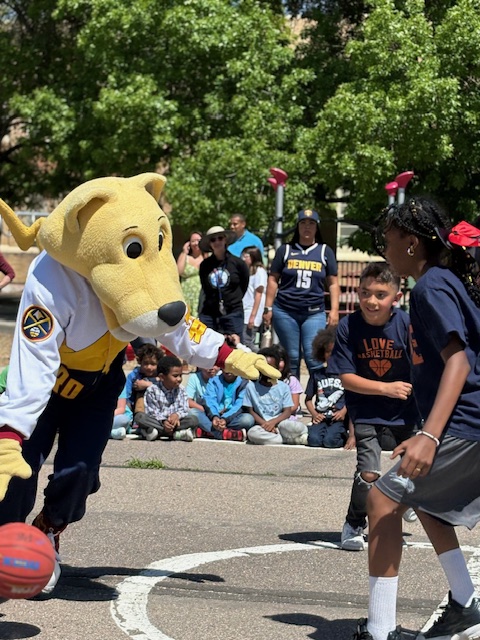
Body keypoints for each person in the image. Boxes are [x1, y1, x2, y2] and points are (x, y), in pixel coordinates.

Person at [350, 198, 480, 640]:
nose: (384, 250)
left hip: (466, 422)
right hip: (465, 422)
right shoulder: (439, 282)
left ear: (410, 243)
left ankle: (381, 631)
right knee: (423, 501)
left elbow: (459, 363)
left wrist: (429, 435)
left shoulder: (430, 288)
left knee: (382, 504)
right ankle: (463, 603)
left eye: (389, 241)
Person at [328, 262, 420, 552]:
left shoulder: (406, 324)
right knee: (368, 474)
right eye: (365, 293)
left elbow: (424, 366)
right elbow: (346, 378)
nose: (371, 301)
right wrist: (386, 388)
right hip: (366, 409)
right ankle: (354, 523)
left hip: (407, 411)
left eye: (380, 294)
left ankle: (404, 498)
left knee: (416, 470)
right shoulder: (348, 326)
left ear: (396, 296)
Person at [263, 208, 340, 378]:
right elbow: (273, 279)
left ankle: (322, 396)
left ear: (316, 227)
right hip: (285, 311)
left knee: (314, 357)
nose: (307, 227)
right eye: (303, 223)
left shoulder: (324, 251)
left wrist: (334, 310)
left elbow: (333, 283)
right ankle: (293, 399)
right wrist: (267, 308)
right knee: (293, 357)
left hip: (313, 312)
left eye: (311, 223)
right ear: (297, 227)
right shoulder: (285, 250)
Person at [244, 347, 308, 445]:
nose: (267, 370)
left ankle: (281, 436)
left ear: (277, 368)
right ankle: (284, 439)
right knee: (253, 433)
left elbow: (287, 411)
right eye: (264, 367)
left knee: (296, 427)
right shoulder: (251, 386)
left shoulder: (284, 387)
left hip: (281, 422)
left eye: (271, 367)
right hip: (262, 425)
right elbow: (250, 411)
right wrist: (266, 424)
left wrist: (273, 422)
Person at [199, 226, 250, 336]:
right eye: (213, 240)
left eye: (220, 238)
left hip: (233, 312)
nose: (217, 242)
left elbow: (244, 283)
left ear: (225, 240)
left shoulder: (238, 263)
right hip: (210, 314)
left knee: (234, 348)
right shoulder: (205, 265)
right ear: (210, 244)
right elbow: (205, 287)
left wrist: (232, 299)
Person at [135, 355, 199, 441]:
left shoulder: (181, 390)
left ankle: (155, 432)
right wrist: (164, 421)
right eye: (175, 376)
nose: (179, 379)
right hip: (159, 421)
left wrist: (177, 415)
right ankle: (175, 434)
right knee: (140, 417)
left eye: (180, 375)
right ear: (162, 377)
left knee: (193, 419)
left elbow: (184, 408)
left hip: (176, 422)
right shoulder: (152, 390)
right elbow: (151, 412)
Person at [305, 327, 349, 449]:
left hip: (338, 418)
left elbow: (353, 397)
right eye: (328, 352)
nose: (332, 355)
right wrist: (314, 414)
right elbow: (308, 399)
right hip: (321, 417)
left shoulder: (347, 375)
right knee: (314, 441)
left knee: (330, 442)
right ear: (322, 353)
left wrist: (344, 411)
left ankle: (344, 435)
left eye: (336, 352)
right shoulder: (317, 374)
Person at [194, 369, 254, 441]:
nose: (228, 370)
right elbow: (210, 400)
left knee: (248, 419)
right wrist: (215, 416)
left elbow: (239, 405)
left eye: (231, 367)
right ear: (221, 368)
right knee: (193, 412)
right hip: (214, 416)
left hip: (232, 417)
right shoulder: (214, 381)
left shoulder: (244, 383)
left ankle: (209, 431)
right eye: (225, 367)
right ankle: (226, 433)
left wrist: (225, 419)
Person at [241, 246, 267, 351]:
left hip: (251, 313)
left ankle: (263, 359)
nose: (243, 259)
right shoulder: (249, 272)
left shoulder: (259, 272)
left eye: (245, 256)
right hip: (245, 311)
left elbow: (258, 294)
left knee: (247, 343)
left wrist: (253, 316)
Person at [125, 343, 163, 415]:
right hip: (137, 409)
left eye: (153, 364)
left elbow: (168, 389)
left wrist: (149, 384)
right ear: (140, 362)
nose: (149, 367)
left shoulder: (162, 376)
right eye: (145, 363)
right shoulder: (134, 376)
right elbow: (127, 398)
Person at [270, 343, 303, 418]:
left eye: (280, 360)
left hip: (286, 417)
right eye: (275, 360)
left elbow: (294, 406)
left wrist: (277, 418)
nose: (277, 364)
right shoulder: (262, 380)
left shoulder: (291, 380)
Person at [176, 230, 205, 316]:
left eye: (198, 240)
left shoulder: (207, 257)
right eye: (193, 241)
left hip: (201, 295)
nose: (196, 243)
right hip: (187, 294)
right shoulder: (185, 257)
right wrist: (184, 251)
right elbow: (178, 272)